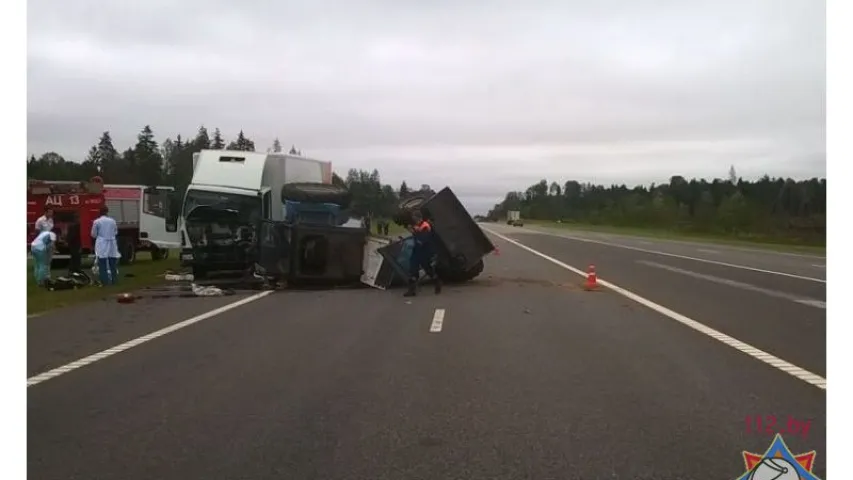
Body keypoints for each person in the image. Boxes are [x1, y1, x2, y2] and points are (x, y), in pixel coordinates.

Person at [403, 210, 442, 297]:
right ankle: (412, 290)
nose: (413, 219)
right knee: (413, 268)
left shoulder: (425, 226)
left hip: (424, 251)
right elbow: (417, 235)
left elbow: (422, 240)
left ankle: (437, 282)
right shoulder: (418, 225)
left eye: (414, 217)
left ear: (418, 217)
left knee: (428, 269)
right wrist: (413, 231)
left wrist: (414, 232)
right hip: (417, 251)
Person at [91, 206, 120, 285]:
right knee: (112, 262)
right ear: (107, 212)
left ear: (99, 212)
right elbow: (116, 232)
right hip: (112, 242)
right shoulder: (112, 221)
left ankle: (104, 281)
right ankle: (114, 280)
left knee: (102, 262)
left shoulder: (97, 221)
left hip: (102, 243)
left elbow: (93, 234)